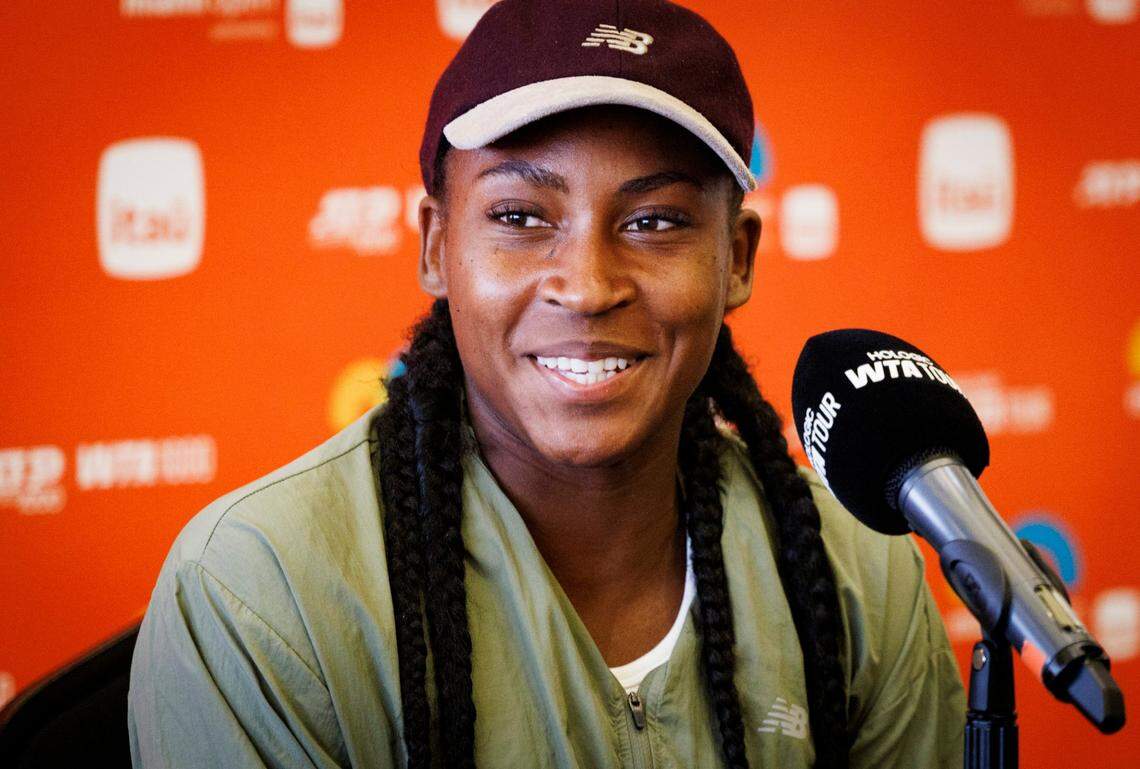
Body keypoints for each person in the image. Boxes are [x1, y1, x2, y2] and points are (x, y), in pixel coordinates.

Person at [128, 1, 965, 767]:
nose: (588, 283)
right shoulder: (263, 594)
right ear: (435, 246)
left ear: (736, 257)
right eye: (521, 217)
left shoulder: (857, 569)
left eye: (655, 221)